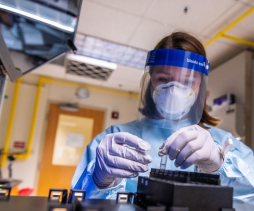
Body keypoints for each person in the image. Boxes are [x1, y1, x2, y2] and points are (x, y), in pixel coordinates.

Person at [71, 32, 254, 201]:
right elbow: (76, 205)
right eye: (164, 79)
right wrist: (99, 180)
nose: (174, 90)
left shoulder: (223, 145)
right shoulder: (115, 139)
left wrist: (220, 167)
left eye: (187, 81)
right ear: (150, 81)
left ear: (200, 86)